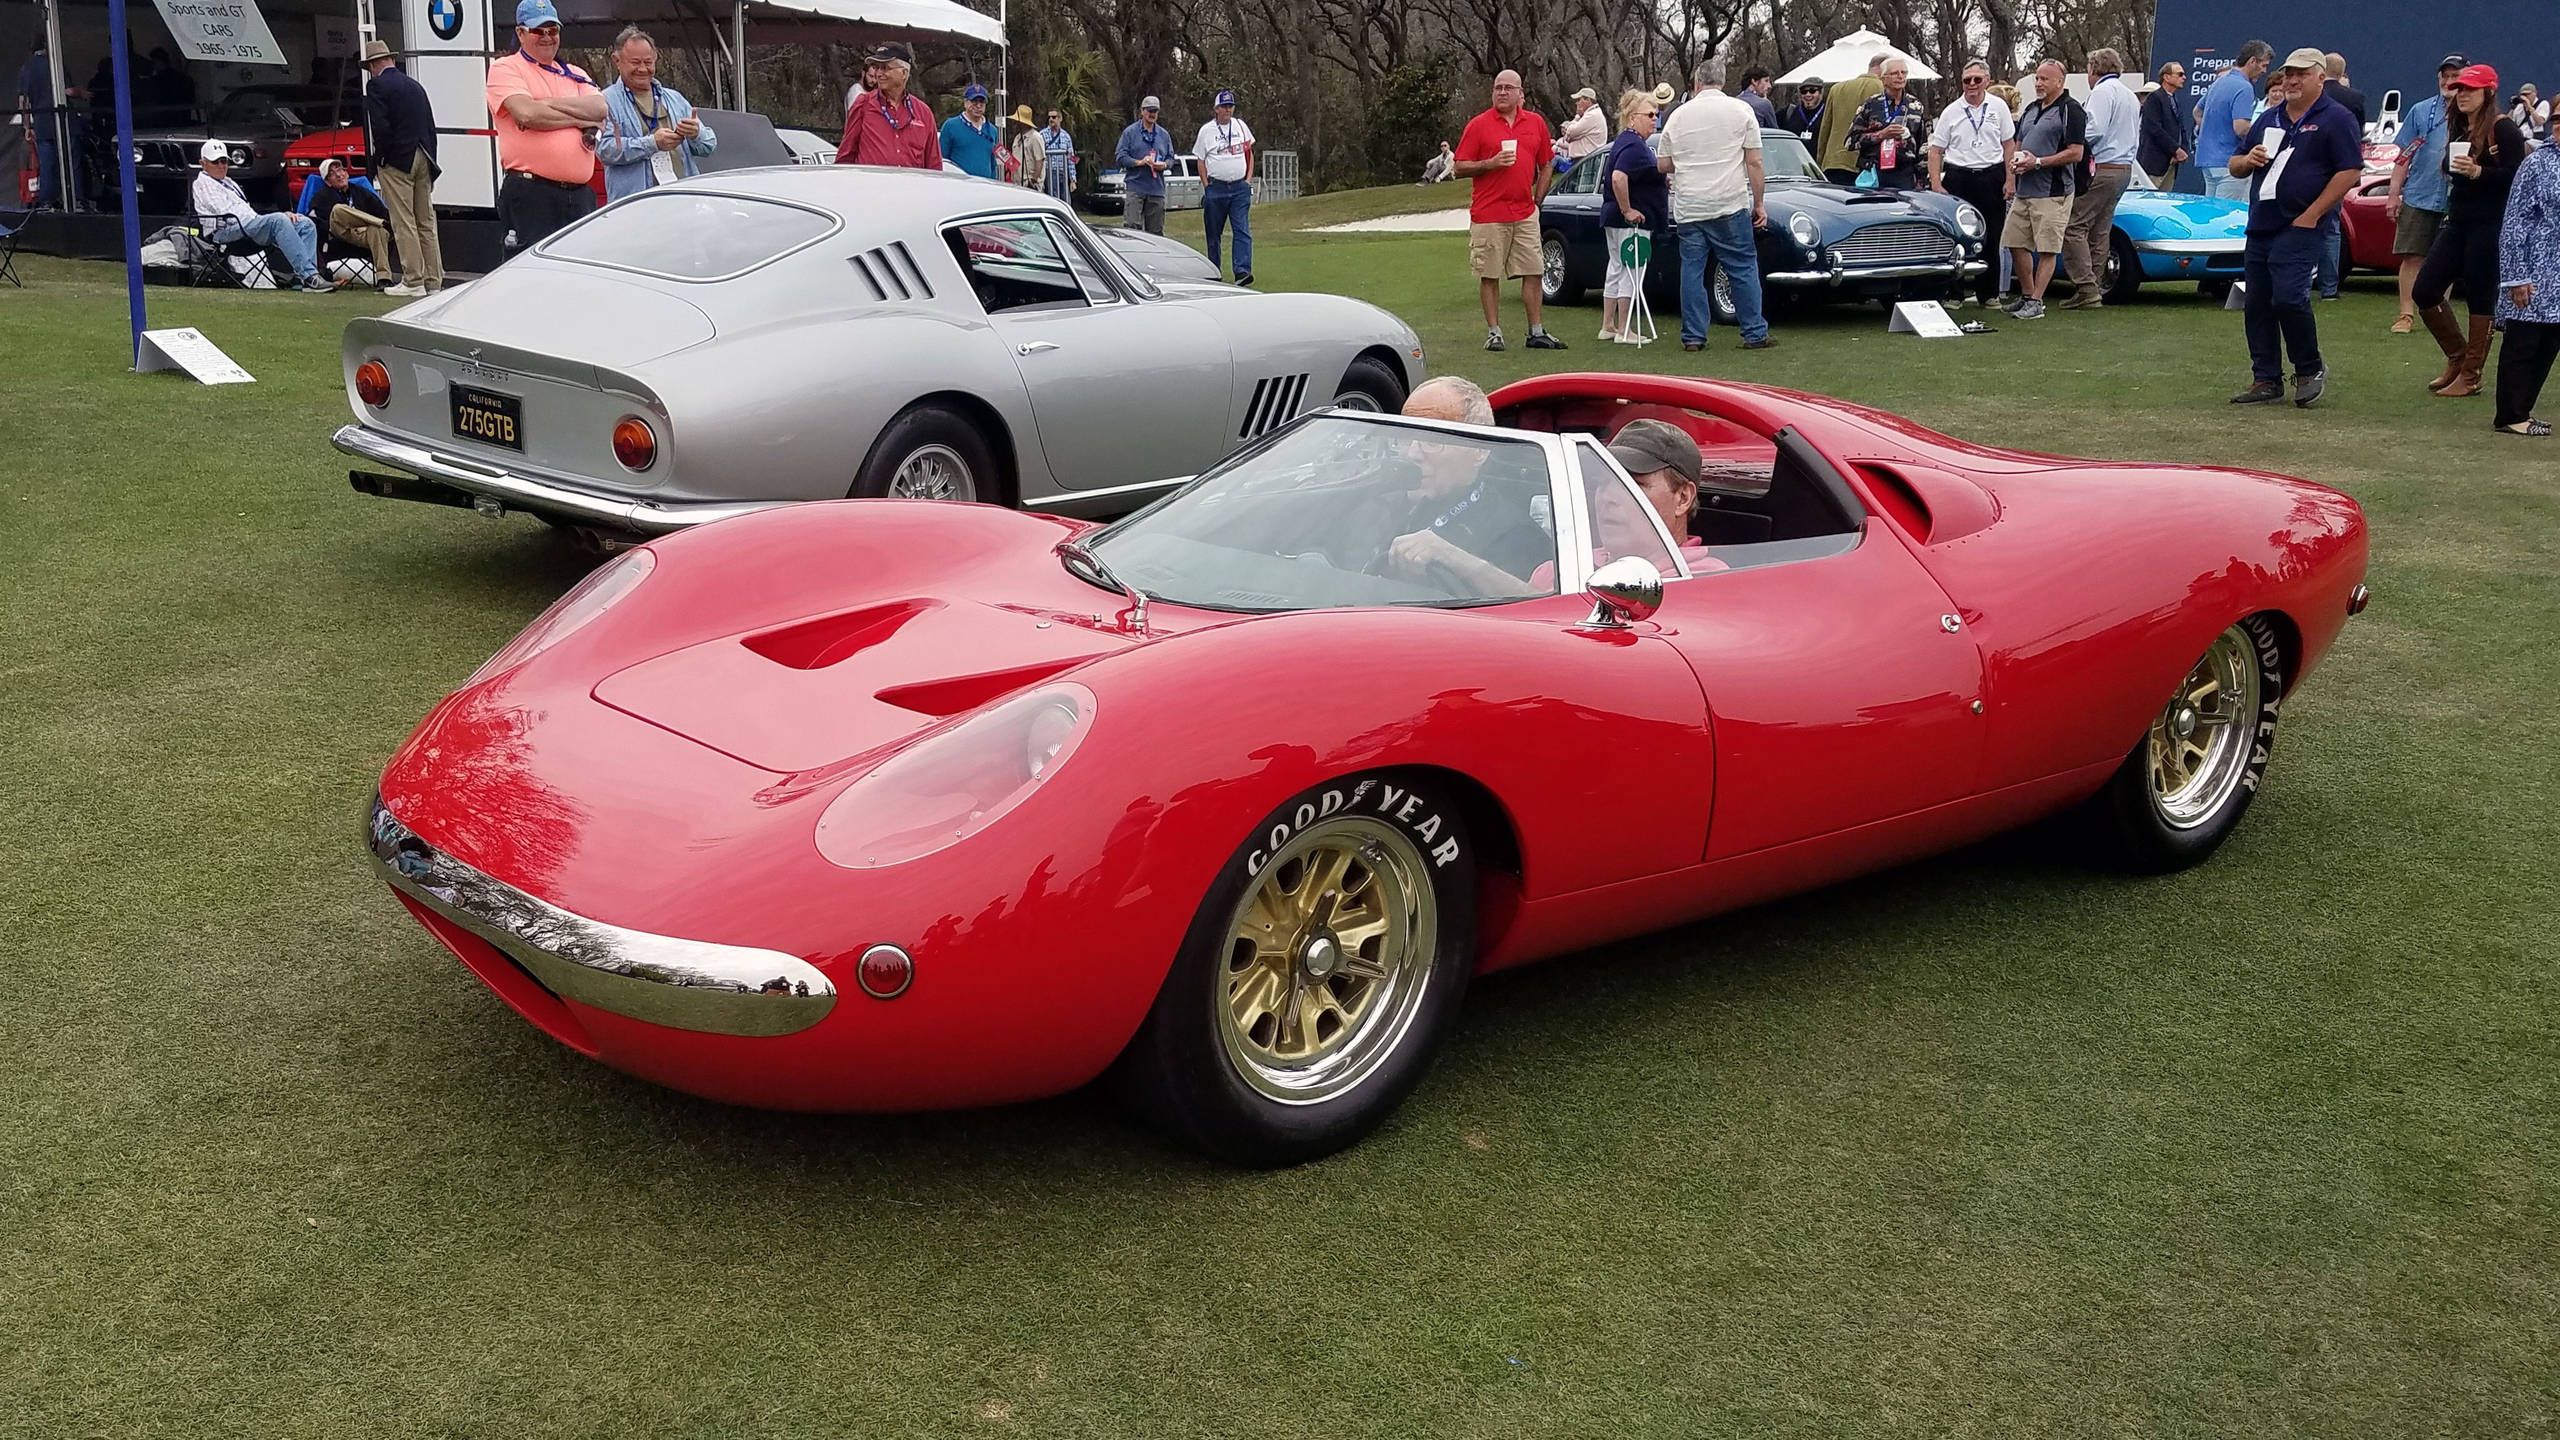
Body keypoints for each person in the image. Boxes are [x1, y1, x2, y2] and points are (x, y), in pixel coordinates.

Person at [2227, 49, 2362, 407]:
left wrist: (2314, 213)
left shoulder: (2336, 118)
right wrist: (2247, 160)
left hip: (2301, 223)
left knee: (2288, 295)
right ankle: (2266, 378)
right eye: (2288, 73)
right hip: (2262, 222)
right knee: (2256, 302)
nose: (2291, 80)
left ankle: (2309, 367)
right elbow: (2235, 164)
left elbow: (2350, 170)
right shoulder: (2269, 118)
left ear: (2321, 77)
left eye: (2301, 73)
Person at [2414, 64, 2529, 400]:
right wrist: (2453, 169)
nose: (2461, 94)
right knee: (2425, 288)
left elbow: (2517, 179)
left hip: (2490, 223)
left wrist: (2479, 172)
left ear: (2488, 93)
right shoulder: (2460, 124)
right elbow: (2455, 173)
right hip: (2459, 219)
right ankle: (2458, 357)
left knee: (2481, 295)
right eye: (2458, 88)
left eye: (2469, 89)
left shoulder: (2504, 129)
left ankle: (2471, 374)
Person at [1657, 58, 1772, 353]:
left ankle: (1694, 335)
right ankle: (1754, 332)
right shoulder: (1741, 110)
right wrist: (1759, 203)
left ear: (1696, 82)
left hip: (1690, 206)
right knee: (1742, 266)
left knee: (1692, 271)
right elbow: (1755, 161)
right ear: (1722, 82)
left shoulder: (1678, 116)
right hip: (1728, 202)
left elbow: (1663, 164)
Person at [485, 0, 606, 255]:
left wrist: (547, 105)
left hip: (579, 196)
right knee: (530, 277)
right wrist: (578, 117)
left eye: (553, 31)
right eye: (538, 31)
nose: (547, 37)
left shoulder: (575, 72)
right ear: (520, 33)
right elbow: (527, 114)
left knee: (581, 274)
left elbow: (600, 110)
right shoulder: (505, 68)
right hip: (532, 193)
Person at [1453, 69, 1561, 352]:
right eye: (1497, 88)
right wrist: (1491, 163)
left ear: (1519, 93)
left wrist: (1538, 198)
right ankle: (1494, 332)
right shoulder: (1479, 125)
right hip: (1489, 213)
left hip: (1524, 212)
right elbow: (1459, 166)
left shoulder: (1535, 123)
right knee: (1490, 275)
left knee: (1534, 271)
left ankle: (1536, 331)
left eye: (1507, 88)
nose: (1501, 92)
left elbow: (1547, 162)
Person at [1999, 61, 2085, 320]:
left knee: (2047, 248)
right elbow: (2019, 142)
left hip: (2053, 192)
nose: (2039, 83)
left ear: (2060, 82)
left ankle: (2037, 302)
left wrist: (2038, 162)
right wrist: (2014, 170)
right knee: (2014, 242)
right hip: (2025, 190)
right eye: (2037, 78)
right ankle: (2027, 295)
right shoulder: (2031, 109)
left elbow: (2076, 152)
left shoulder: (2071, 110)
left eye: (2045, 79)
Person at [1928, 60, 2017, 307]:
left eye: (1977, 79)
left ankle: (1988, 294)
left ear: (1987, 81)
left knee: (1991, 235)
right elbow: (1936, 150)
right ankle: (1954, 294)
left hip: (1991, 175)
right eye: (1967, 80)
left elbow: (2009, 144)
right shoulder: (1951, 111)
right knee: (1955, 237)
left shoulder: (1998, 107)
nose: (1972, 84)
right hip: (1959, 177)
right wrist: (1936, 184)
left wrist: (2011, 179)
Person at [2388, 58, 2467, 333]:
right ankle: (2406, 315)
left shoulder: (2473, 111)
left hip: (2456, 197)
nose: (2448, 82)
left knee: (2446, 260)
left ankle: (2436, 317)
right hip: (2418, 194)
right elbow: (2403, 156)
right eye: (2443, 76)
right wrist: (2393, 194)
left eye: (2454, 75)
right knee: (2412, 256)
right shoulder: (2421, 111)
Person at [2492, 119, 2560, 434]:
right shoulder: (2536, 164)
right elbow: (2515, 222)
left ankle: (2524, 410)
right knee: (2524, 342)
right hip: (2534, 268)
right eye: (2557, 121)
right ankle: (2510, 415)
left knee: (2549, 344)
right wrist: (2516, 275)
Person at [192, 140, 329, 291]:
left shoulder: (228, 182)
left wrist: (269, 218)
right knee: (279, 220)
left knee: (305, 224)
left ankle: (305, 278)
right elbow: (224, 212)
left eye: (224, 161)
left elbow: (249, 213)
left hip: (248, 225)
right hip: (226, 232)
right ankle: (310, 277)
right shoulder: (202, 183)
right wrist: (267, 219)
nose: (221, 165)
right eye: (215, 161)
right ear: (203, 163)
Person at [597, 27, 714, 202]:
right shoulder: (605, 101)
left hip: (683, 201)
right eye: (635, 62)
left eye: (648, 62)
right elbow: (604, 150)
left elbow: (708, 146)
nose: (643, 69)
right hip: (635, 208)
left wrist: (696, 133)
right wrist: (652, 143)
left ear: (656, 59)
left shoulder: (675, 98)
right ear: (617, 60)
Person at [2059, 49, 2138, 309]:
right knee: (2100, 228)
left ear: (2094, 70)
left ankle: (2085, 285)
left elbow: (2094, 128)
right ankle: (2095, 282)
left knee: (2074, 225)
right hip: (2123, 168)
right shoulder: (2129, 95)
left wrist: (2068, 142)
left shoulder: (2102, 92)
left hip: (2102, 166)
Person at [363, 40, 443, 296]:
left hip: (398, 160)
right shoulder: (415, 86)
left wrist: (382, 158)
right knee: (426, 222)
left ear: (375, 64)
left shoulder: (376, 86)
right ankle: (434, 281)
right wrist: (432, 160)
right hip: (424, 155)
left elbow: (381, 129)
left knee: (403, 220)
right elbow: (430, 127)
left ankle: (413, 280)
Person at [1598, 88, 1665, 343]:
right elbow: (1618, 177)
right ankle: (1625, 329)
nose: (1654, 120)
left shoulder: (1626, 142)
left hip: (1614, 218)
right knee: (1632, 269)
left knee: (1616, 267)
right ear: (1632, 117)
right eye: (1649, 114)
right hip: (1629, 220)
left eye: (1656, 114)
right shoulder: (1634, 145)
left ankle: (1608, 325)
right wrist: (1627, 209)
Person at [836, 43, 939, 168]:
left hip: (911, 187)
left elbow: (934, 166)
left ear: (904, 73)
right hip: (871, 186)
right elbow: (845, 157)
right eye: (876, 67)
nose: (878, 73)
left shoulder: (924, 113)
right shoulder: (863, 104)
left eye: (885, 68)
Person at [295, 158, 394, 286]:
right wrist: (327, 230)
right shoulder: (321, 197)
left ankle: (384, 279)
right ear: (327, 182)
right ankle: (378, 222)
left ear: (346, 173)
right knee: (338, 209)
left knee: (377, 230)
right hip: (338, 233)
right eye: (331, 173)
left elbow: (382, 211)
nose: (338, 175)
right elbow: (313, 221)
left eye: (340, 170)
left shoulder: (360, 192)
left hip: (363, 234)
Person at [2198, 41, 2273, 201]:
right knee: (2227, 217)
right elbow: (2241, 128)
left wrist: (2212, 134)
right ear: (2253, 61)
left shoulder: (2219, 82)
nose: (2264, 71)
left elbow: (2197, 112)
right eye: (2264, 65)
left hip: (2208, 161)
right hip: (2230, 163)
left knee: (2211, 215)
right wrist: (2265, 141)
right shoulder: (2244, 87)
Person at [1196, 89, 1256, 284]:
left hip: (1239, 187)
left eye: (1230, 106)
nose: (1227, 110)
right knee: (1214, 233)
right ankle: (1214, 272)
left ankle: (1242, 271)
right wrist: (1207, 187)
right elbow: (1201, 160)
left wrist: (1247, 180)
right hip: (1217, 188)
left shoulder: (1240, 126)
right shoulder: (1206, 131)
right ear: (1216, 109)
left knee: (1242, 230)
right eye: (1224, 106)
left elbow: (1249, 154)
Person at [1848, 59, 1929, 189]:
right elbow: (1850, 142)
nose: (1900, 76)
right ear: (1883, 79)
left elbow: (1923, 147)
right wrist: (1881, 135)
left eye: (1904, 72)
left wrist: (1922, 181)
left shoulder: (1916, 106)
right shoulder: (1871, 104)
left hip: (1904, 174)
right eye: (1894, 73)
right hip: (1874, 172)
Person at [1816, 53, 1887, 182]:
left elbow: (1825, 128)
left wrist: (1820, 161)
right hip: (1862, 165)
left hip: (1832, 161)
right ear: (1884, 69)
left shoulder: (1836, 88)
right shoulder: (1881, 88)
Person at [1114, 97, 1176, 233]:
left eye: (1155, 111)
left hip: (1156, 190)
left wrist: (1164, 165)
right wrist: (1139, 162)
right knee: (1132, 230)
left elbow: (1171, 158)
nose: (1152, 114)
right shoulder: (1130, 133)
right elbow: (1120, 157)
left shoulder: (1164, 135)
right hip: (1136, 188)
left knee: (1156, 233)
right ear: (1142, 111)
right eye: (1149, 110)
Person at [2139, 61, 2193, 189]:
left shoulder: (2174, 99)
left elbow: (2181, 128)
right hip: (2155, 163)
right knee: (2151, 199)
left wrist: (2183, 149)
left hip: (2171, 163)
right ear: (2166, 77)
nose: (2184, 78)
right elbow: (2155, 129)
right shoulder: (2154, 98)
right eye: (2179, 74)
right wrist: (2175, 149)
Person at [938, 84, 1001, 180]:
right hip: (959, 185)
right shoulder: (950, 126)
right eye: (974, 102)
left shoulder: (992, 131)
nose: (978, 106)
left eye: (982, 103)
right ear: (965, 103)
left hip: (985, 187)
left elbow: (992, 164)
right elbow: (942, 160)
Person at [1559, 87, 1607, 164]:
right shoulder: (1591, 114)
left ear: (1588, 100)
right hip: (1586, 159)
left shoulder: (1592, 115)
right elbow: (1567, 137)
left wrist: (1577, 117)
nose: (1576, 103)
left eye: (1579, 100)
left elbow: (1570, 132)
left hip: (1586, 160)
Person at [2323, 53, 2367, 131]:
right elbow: (2359, 128)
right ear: (2342, 73)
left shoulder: (2312, 94)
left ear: (2322, 69)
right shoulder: (2356, 97)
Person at [1040, 109, 1076, 201]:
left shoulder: (1066, 136)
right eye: (1049, 117)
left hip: (1062, 172)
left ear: (1060, 119)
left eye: (1054, 117)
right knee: (1054, 198)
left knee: (1066, 200)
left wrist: (1073, 180)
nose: (1051, 119)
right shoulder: (1042, 134)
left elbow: (1071, 158)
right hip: (1049, 172)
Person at [1006, 107, 1044, 188]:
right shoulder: (1017, 137)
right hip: (1017, 182)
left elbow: (1039, 160)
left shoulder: (1035, 137)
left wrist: (1034, 180)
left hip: (1029, 182)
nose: (1015, 122)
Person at [1778, 80, 1826, 145]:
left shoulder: (1827, 114)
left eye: (1812, 91)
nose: (1808, 94)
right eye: (1804, 92)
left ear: (1821, 93)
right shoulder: (1789, 113)